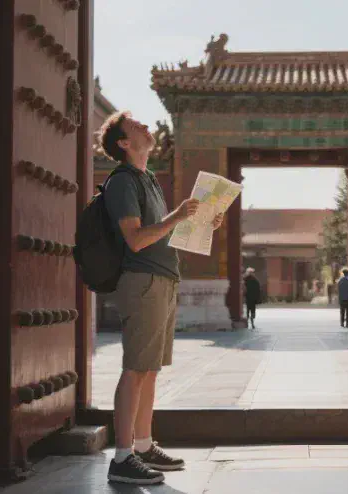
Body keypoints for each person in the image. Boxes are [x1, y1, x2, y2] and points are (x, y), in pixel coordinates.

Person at [99, 111, 224, 485]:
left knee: (150, 368)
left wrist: (197, 222)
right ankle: (122, 458)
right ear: (124, 143)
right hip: (142, 281)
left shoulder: (148, 179)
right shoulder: (122, 182)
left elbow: (161, 232)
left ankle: (142, 444)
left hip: (164, 278)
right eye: (137, 126)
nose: (147, 127)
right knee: (135, 367)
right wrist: (176, 216)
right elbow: (136, 239)